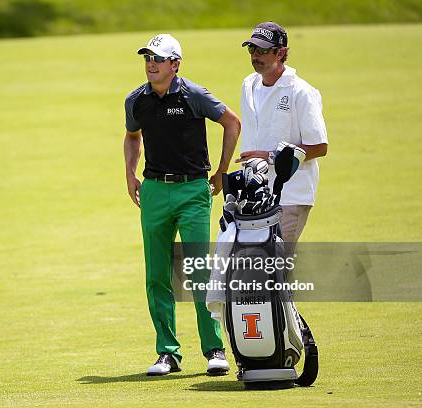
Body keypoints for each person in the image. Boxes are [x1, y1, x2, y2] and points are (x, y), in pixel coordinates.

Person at [123, 34, 241, 376]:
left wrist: (221, 170)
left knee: (200, 271)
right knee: (156, 274)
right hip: (155, 193)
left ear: (175, 64)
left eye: (158, 58)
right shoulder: (136, 101)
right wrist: (130, 174)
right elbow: (132, 137)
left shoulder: (194, 95)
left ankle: (214, 349)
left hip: (193, 191)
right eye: (147, 57)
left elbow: (232, 123)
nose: (150, 63)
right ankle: (168, 353)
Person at [236, 22, 328, 243]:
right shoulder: (248, 85)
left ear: (281, 53)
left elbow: (319, 146)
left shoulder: (301, 92)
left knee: (276, 265)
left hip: (290, 195)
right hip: (253, 192)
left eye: (263, 50)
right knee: (253, 265)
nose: (255, 55)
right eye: (252, 49)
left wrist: (268, 156)